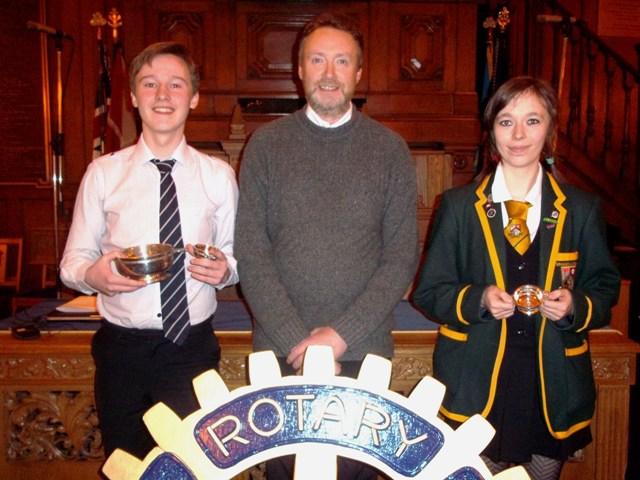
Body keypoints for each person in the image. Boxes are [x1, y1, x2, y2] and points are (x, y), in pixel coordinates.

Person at [235, 12, 418, 479]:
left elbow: (399, 258)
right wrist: (301, 342)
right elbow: (252, 254)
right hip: (281, 353)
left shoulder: (390, 149)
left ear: (359, 73)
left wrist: (338, 337)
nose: (330, 73)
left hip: (362, 354)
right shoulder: (266, 146)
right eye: (318, 60)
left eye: (342, 61)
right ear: (300, 70)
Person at [411, 76, 620, 480]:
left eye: (533, 121)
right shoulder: (457, 207)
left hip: (551, 381)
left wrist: (575, 306)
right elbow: (430, 292)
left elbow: (605, 289)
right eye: (506, 122)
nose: (519, 135)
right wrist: (478, 300)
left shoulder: (581, 208)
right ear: (491, 131)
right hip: (477, 378)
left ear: (551, 129)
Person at [60, 42, 239, 460]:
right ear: (133, 96)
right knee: (127, 464)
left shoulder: (218, 176)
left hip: (190, 349)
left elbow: (235, 258)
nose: (163, 95)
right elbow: (72, 264)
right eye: (150, 84)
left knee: (191, 466)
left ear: (193, 97)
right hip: (123, 351)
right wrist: (94, 276)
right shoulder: (103, 174)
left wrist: (225, 270)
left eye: (176, 85)